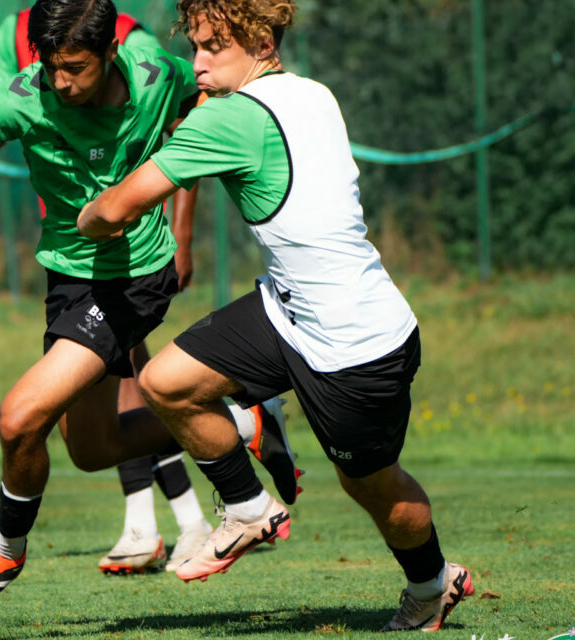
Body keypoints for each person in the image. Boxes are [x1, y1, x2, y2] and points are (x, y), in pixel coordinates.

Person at [77, 0, 472, 631]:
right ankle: (247, 506)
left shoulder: (230, 116)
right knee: (166, 382)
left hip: (353, 342)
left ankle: (432, 584)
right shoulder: (314, 93)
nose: (197, 63)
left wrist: (85, 217)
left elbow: (119, 207)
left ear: (262, 42)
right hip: (287, 308)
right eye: (195, 46)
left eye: (214, 48)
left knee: (369, 484)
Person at [0, 6, 300, 576]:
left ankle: (161, 522)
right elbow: (2, 108)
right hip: (69, 259)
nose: (62, 80)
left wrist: (181, 231)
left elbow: (187, 124)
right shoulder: (19, 32)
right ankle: (218, 455)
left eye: (76, 68)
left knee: (112, 390)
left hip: (130, 261)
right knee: (92, 441)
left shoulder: (121, 34)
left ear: (106, 51)